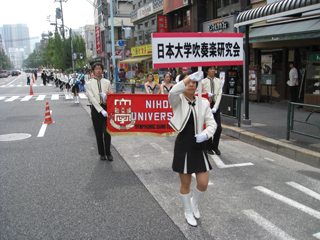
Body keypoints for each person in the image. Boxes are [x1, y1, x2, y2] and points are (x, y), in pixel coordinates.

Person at [168, 72, 217, 227]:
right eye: (189, 82)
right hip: (183, 145)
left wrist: (206, 134)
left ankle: (194, 203)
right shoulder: (177, 100)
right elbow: (173, 91)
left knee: (203, 183)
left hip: (199, 145)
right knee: (186, 183)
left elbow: (212, 124)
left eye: (195, 82)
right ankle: (188, 210)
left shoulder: (203, 102)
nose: (191, 84)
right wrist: (189, 76)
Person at [86, 63, 113, 161]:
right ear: (93, 71)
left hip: (106, 108)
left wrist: (107, 97)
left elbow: (111, 95)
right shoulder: (89, 83)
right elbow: (92, 98)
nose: (98, 70)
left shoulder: (107, 82)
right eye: (96, 69)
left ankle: (108, 152)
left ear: (102, 70)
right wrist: (100, 110)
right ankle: (101, 153)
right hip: (96, 109)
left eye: (100, 68)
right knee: (98, 132)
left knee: (107, 132)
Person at [202, 66, 222, 155]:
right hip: (206, 105)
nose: (213, 70)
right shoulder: (202, 82)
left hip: (215, 106)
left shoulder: (218, 81)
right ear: (207, 71)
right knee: (208, 126)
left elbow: (220, 94)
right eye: (210, 69)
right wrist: (206, 94)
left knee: (218, 128)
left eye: (214, 69)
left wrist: (216, 106)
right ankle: (208, 147)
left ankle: (215, 146)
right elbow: (198, 92)